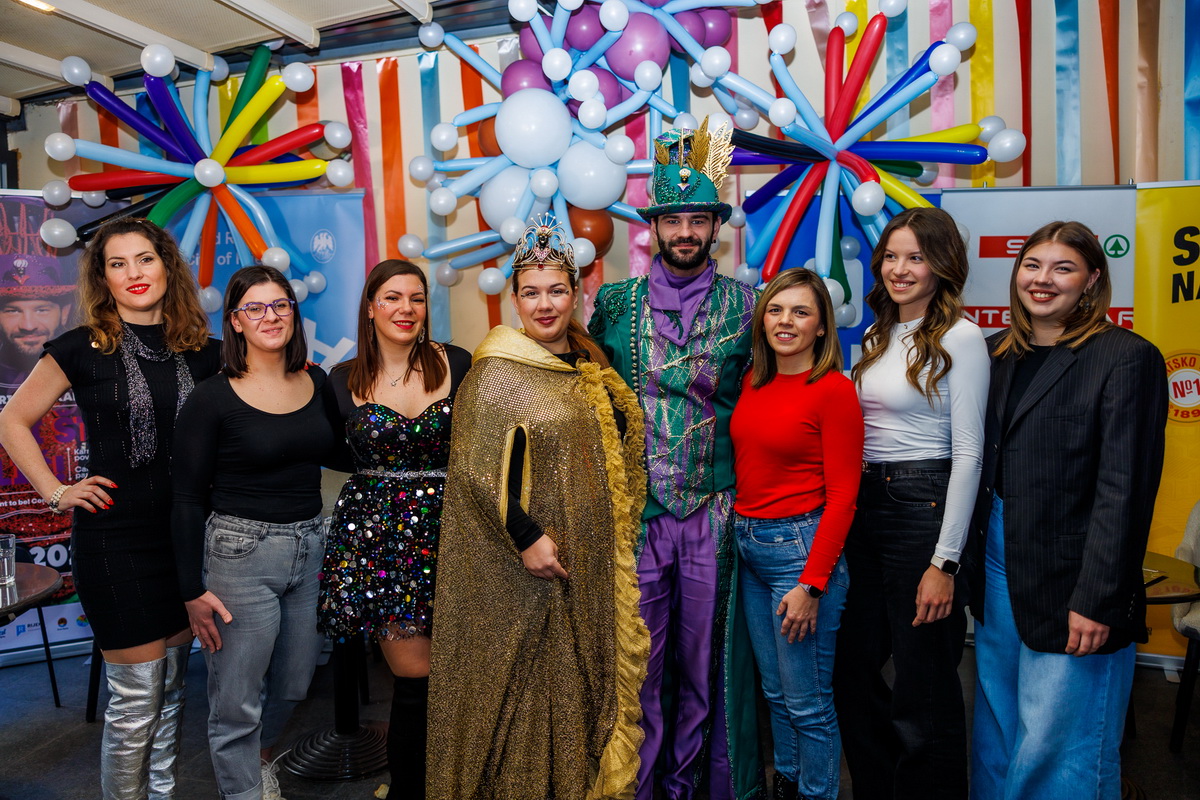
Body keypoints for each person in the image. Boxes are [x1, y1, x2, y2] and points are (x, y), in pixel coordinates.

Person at [428, 216, 649, 800]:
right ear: (514, 298)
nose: (544, 304)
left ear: (576, 292)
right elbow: (476, 472)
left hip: (590, 560)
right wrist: (526, 538)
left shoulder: (587, 361)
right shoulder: (497, 371)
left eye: (556, 290)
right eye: (531, 292)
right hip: (527, 568)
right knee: (530, 697)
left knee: (582, 692)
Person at [0, 217, 220, 800]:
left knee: (172, 692)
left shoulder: (205, 353)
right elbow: (12, 420)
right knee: (136, 702)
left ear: (166, 267)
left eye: (144, 259)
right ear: (103, 278)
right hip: (114, 543)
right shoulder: (80, 347)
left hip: (185, 542)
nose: (133, 273)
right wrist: (56, 491)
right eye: (117, 264)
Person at [588, 117, 759, 800]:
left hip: (714, 514)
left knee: (704, 666)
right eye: (672, 220)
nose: (685, 232)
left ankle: (693, 787)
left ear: (716, 226)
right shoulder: (614, 304)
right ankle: (639, 788)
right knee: (641, 666)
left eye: (698, 219)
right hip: (638, 517)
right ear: (652, 227)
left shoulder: (750, 307)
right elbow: (586, 400)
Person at [968, 221, 1167, 799]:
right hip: (997, 560)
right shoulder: (994, 353)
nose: (1043, 279)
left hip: (1077, 573)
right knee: (998, 725)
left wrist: (1098, 597)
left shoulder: (1126, 358)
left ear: (1092, 280)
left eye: (1063, 268)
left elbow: (1125, 490)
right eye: (1032, 265)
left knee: (1061, 739)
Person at [832, 207, 989, 800]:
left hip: (924, 507)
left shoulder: (961, 337)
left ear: (941, 265)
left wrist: (944, 561)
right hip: (867, 507)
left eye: (916, 257)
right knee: (852, 670)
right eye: (892, 256)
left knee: (923, 685)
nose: (900, 269)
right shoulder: (877, 335)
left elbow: (969, 455)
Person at [172, 265, 335, 800]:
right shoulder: (212, 398)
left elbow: (340, 450)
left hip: (309, 547)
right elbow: (186, 498)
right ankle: (244, 790)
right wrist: (191, 590)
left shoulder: (316, 382)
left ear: (293, 313)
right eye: (255, 308)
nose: (271, 316)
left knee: (295, 683)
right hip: (240, 555)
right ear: (236, 322)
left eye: (281, 305)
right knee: (236, 702)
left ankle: (258, 760)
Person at [316, 259, 471, 797]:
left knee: (461, 677)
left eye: (416, 298)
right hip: (381, 546)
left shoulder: (458, 361)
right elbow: (330, 450)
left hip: (457, 535)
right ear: (370, 308)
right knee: (414, 680)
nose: (406, 309)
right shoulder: (340, 380)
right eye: (392, 298)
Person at [730, 268, 863, 800]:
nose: (786, 321)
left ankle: (816, 793)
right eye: (776, 309)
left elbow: (844, 499)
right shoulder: (752, 381)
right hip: (749, 547)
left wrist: (811, 585)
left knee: (808, 703)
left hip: (799, 554)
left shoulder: (834, 391)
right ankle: (787, 785)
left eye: (801, 312)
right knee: (776, 695)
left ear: (822, 327)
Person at [0, 260, 73, 389]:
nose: (28, 326)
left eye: (42, 310)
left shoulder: (89, 371)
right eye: (13, 311)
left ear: (64, 313)